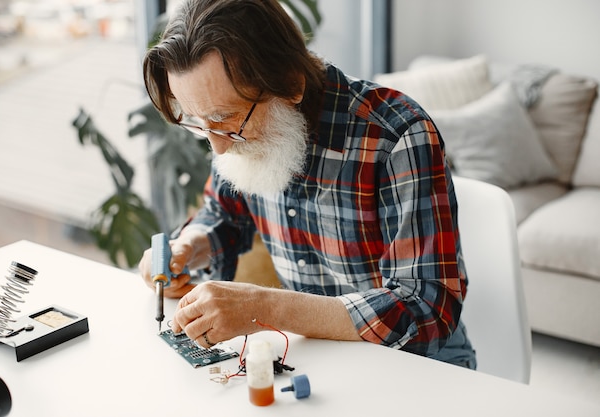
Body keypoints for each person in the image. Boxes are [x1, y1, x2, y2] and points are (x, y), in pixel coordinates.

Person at [138, 0, 476, 368]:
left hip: (417, 364)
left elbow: (427, 309)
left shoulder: (397, 135)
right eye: (199, 123)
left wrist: (264, 307)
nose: (217, 145)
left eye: (224, 120)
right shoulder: (233, 128)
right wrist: (189, 247)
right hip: (315, 356)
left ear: (291, 84)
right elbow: (224, 214)